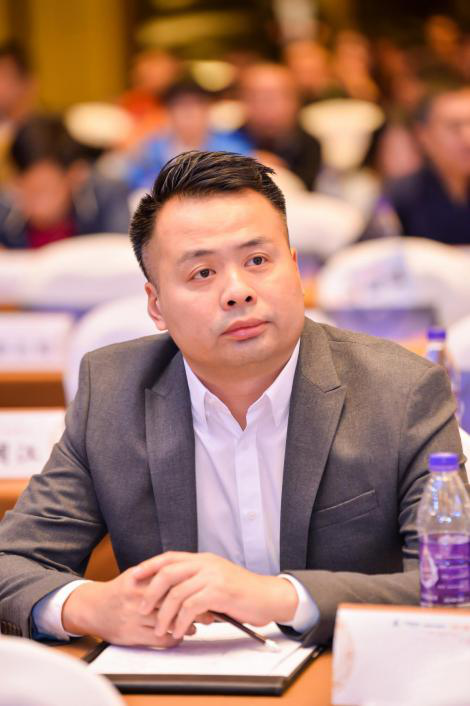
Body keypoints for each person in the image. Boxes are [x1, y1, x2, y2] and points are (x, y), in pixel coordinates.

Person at [0, 151, 465, 647]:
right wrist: (92, 606)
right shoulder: (114, 392)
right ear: (156, 305)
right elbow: (13, 562)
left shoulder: (400, 389)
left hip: (340, 672)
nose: (238, 291)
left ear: (294, 270)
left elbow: (452, 587)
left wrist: (280, 597)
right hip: (171, 677)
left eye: (257, 261)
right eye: (202, 273)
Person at [0, 115, 130, 248]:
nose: (37, 207)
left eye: (45, 190)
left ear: (76, 175)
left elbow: (122, 249)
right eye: (25, 191)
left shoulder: (104, 199)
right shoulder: (5, 210)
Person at [385, 80, 470, 244]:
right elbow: (369, 254)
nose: (467, 138)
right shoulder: (401, 196)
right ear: (423, 135)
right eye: (454, 126)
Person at [126, 79, 251, 190]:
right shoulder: (150, 150)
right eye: (181, 106)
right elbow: (134, 181)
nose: (189, 113)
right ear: (169, 113)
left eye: (197, 105)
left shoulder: (232, 149)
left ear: (208, 110)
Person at [237, 63, 322, 189]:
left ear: (295, 101)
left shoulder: (308, 145)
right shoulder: (226, 141)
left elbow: (305, 191)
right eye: (254, 96)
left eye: (272, 97)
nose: (263, 105)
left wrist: (282, 174)